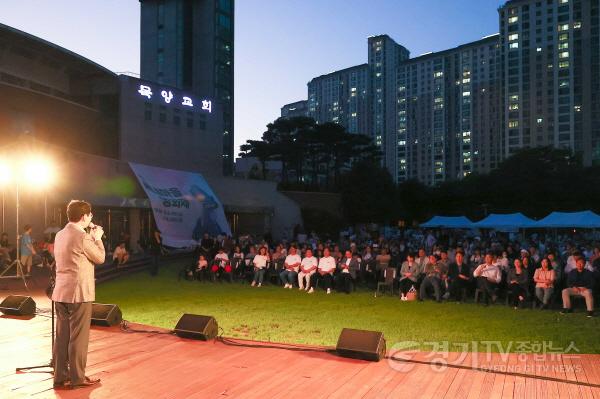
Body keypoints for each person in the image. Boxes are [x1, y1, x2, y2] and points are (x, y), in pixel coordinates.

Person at [52, 200, 105, 390]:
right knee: (78, 338)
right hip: (79, 293)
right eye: (89, 215)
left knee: (62, 336)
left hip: (60, 292)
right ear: (84, 217)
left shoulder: (59, 234)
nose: (90, 218)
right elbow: (100, 258)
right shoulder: (83, 236)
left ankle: (60, 377)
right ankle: (77, 378)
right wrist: (97, 237)